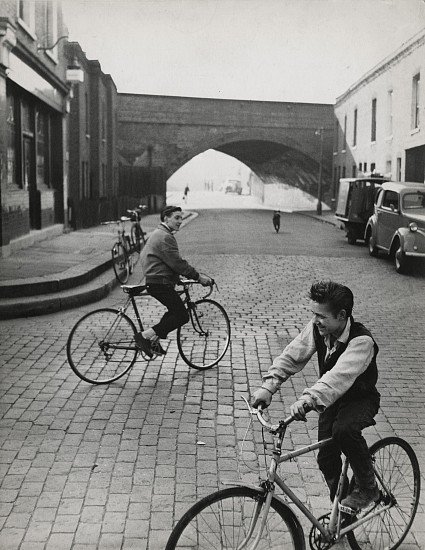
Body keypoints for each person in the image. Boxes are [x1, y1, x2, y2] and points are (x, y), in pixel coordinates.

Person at [252, 281, 380, 510]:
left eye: (320, 315)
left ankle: (368, 486)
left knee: (345, 431)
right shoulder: (318, 329)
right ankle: (340, 509)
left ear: (341, 315)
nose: (314, 320)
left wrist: (308, 398)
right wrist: (269, 385)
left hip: (359, 399)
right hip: (331, 401)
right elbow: (293, 354)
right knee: (326, 458)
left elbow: (338, 377)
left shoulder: (362, 342)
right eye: (313, 314)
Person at [137, 205, 212, 358]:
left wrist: (176, 278)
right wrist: (198, 277)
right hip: (159, 283)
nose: (180, 221)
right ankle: (145, 336)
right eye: (177, 218)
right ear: (166, 218)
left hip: (159, 280)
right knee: (182, 316)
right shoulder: (165, 237)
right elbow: (177, 263)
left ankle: (154, 340)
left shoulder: (161, 233)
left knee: (174, 311)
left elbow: (167, 262)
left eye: (181, 218)